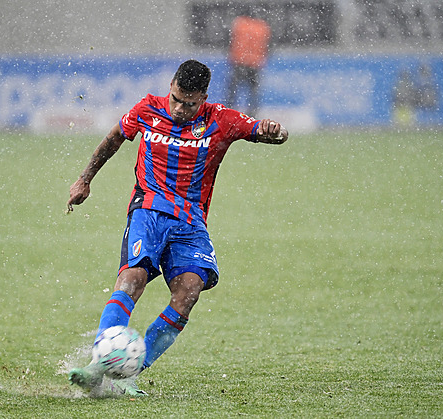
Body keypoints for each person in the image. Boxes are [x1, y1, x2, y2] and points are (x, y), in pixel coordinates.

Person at [67, 59, 288, 397]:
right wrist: (84, 180)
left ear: (204, 97)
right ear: (170, 86)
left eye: (190, 103)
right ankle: (98, 366)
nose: (181, 108)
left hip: (190, 221)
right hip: (148, 211)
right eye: (177, 98)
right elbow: (113, 139)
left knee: (189, 293)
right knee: (131, 280)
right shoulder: (148, 109)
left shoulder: (220, 119)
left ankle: (128, 375)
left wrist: (275, 131)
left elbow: (264, 131)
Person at [225, 13, 272, 116]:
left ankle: (228, 114)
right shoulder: (262, 26)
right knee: (253, 93)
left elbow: (229, 41)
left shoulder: (239, 23)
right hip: (255, 63)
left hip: (239, 61)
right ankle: (252, 116)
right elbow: (268, 46)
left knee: (233, 91)